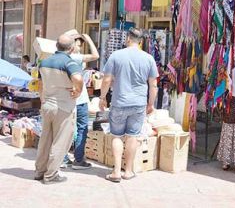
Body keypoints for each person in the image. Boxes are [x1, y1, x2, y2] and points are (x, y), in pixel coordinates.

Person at [99, 28, 158, 182]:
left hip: (119, 102)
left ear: (127, 39)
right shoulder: (148, 58)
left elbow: (106, 79)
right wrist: (150, 103)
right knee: (132, 136)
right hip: (138, 103)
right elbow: (153, 85)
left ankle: (116, 172)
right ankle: (128, 171)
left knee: (117, 136)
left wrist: (102, 97)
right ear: (141, 42)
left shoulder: (116, 56)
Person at [34, 34, 83, 184]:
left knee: (45, 140)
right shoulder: (69, 63)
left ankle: (39, 171)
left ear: (56, 46)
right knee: (60, 142)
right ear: (72, 48)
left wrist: (42, 99)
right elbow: (78, 79)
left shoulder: (44, 62)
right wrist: (78, 91)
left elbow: (40, 84)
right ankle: (51, 175)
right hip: (63, 107)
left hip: (47, 105)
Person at [61, 33, 99, 169]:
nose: (80, 47)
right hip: (79, 98)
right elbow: (96, 56)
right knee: (81, 128)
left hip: (66, 98)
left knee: (66, 128)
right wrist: (89, 39)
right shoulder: (74, 58)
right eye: (78, 45)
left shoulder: (60, 58)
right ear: (71, 45)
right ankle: (78, 160)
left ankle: (63, 158)